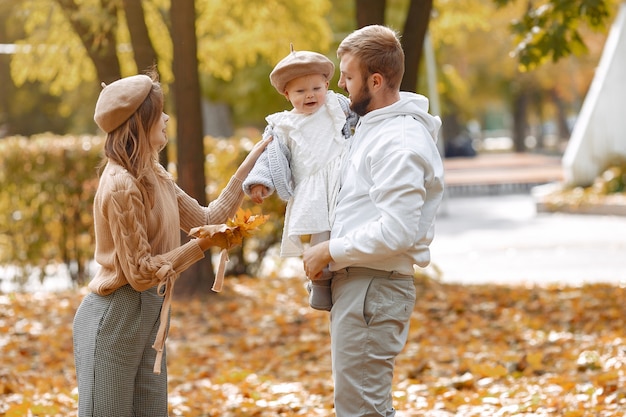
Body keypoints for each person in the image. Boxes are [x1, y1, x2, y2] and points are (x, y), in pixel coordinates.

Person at [72, 69, 271, 417]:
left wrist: (253, 160)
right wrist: (202, 246)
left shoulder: (155, 174)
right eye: (158, 111)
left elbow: (208, 219)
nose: (166, 118)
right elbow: (138, 272)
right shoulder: (121, 185)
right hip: (115, 316)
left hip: (151, 313)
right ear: (139, 121)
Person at [302, 25, 445, 416]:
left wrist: (330, 250)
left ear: (376, 80)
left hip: (373, 287)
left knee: (362, 409)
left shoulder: (398, 142)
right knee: (360, 406)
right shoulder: (372, 128)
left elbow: (396, 230)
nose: (342, 86)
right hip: (362, 285)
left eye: (348, 77)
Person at [243, 46, 358, 311]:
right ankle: (319, 282)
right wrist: (261, 181)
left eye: (316, 88)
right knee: (321, 236)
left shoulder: (335, 104)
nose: (310, 95)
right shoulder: (283, 125)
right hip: (312, 187)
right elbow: (271, 155)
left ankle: (348, 273)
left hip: (343, 178)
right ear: (286, 94)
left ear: (327, 85)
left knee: (347, 226)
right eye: (300, 91)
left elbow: (361, 117)